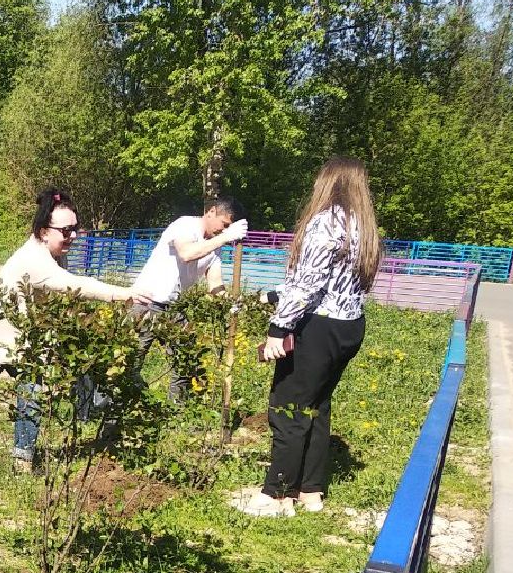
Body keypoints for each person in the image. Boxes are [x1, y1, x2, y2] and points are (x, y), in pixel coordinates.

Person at [0, 189, 150, 467]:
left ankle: (22, 460)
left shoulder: (55, 253)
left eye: (75, 228)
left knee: (31, 393)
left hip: (25, 336)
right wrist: (124, 293)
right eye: (66, 231)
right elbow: (77, 286)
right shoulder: (33, 259)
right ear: (44, 232)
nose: (73, 236)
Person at [242, 157, 378, 517]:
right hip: (348, 326)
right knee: (317, 405)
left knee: (288, 406)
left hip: (316, 327)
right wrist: (274, 294)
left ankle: (277, 494)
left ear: (328, 182)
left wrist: (278, 328)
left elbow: (307, 284)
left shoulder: (325, 221)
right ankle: (311, 491)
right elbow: (331, 281)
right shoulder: (362, 226)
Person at [131, 197, 249, 400]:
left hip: (175, 309)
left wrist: (229, 302)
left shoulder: (215, 245)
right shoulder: (185, 225)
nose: (224, 230)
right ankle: (119, 406)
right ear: (211, 211)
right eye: (224, 224)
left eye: (229, 228)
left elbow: (215, 284)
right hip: (146, 303)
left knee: (185, 362)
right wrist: (224, 237)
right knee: (131, 360)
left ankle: (175, 413)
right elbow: (186, 253)